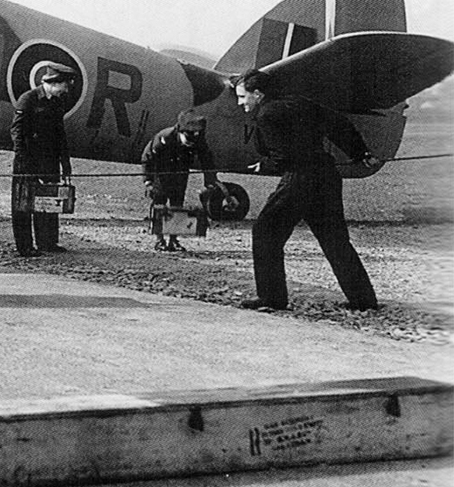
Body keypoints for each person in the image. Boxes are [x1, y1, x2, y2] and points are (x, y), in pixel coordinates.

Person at [233, 68, 382, 312]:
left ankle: (272, 298)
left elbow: (284, 157)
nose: (240, 103)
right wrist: (361, 153)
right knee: (335, 240)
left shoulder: (267, 115)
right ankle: (363, 300)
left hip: (301, 179)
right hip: (327, 176)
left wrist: (266, 165)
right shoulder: (300, 103)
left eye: (242, 97)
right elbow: (338, 124)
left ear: (258, 94)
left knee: (266, 232)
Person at [139, 112, 237, 251]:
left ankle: (173, 240)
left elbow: (206, 160)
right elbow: (147, 158)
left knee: (177, 206)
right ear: (180, 131)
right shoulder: (165, 137)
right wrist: (148, 182)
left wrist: (210, 180)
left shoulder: (198, 139)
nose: (191, 143)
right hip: (161, 174)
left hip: (181, 173)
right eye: (187, 139)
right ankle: (159, 240)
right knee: (159, 206)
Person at [10, 63, 75, 256]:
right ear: (54, 83)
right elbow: (16, 131)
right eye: (64, 85)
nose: (65, 90)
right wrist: (22, 159)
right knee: (24, 204)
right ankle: (24, 246)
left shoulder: (56, 102)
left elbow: (60, 133)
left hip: (49, 160)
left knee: (49, 201)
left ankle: (47, 242)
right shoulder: (28, 99)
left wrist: (65, 162)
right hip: (28, 160)